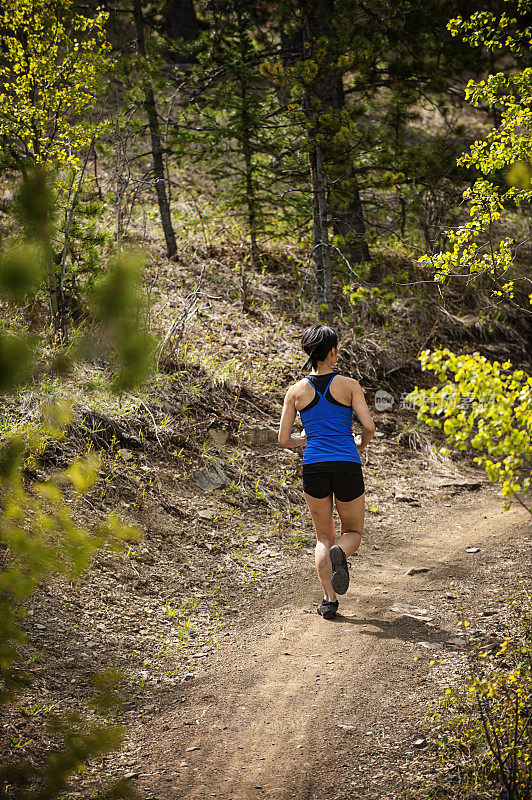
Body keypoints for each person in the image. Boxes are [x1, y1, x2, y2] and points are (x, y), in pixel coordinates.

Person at [278, 324, 375, 620]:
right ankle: (342, 554)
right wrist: (358, 442)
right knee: (353, 532)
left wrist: (305, 439)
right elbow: (368, 427)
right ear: (332, 352)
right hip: (346, 464)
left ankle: (329, 600)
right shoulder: (349, 385)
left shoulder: (296, 391)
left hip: (314, 467)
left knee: (323, 537)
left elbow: (283, 439)